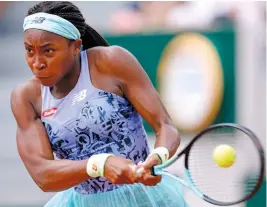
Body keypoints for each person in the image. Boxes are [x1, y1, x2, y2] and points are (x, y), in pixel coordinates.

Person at [10, 1, 188, 206]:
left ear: (75, 46)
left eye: (48, 51)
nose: (37, 63)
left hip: (145, 198)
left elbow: (164, 125)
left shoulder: (112, 61)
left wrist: (157, 157)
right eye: (29, 51)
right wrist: (100, 164)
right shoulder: (26, 97)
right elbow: (42, 174)